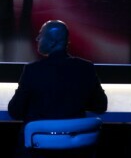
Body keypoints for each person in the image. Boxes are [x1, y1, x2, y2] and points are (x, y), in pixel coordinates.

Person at [8, 20, 107, 156]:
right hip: (75, 151)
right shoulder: (86, 68)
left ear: (52, 42)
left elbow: (15, 111)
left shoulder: (33, 70)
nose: (37, 39)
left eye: (41, 35)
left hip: (38, 151)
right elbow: (101, 105)